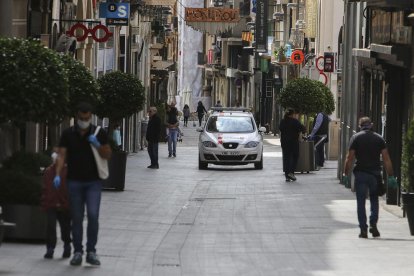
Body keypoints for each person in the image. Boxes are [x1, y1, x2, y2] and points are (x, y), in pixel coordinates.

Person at [54, 102, 112, 266]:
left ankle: (91, 251)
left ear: (90, 117)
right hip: (74, 182)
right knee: (77, 218)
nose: (84, 120)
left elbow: (108, 155)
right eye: (81, 118)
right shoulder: (68, 134)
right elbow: (61, 155)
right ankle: (78, 251)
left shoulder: (98, 133)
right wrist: (57, 175)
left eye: (86, 118)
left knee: (93, 216)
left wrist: (98, 145)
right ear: (77, 116)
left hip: (93, 182)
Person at [343, 117, 398, 238]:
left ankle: (363, 229)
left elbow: (349, 158)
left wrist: (346, 174)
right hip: (375, 174)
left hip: (361, 174)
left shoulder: (356, 138)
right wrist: (391, 175)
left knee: (361, 202)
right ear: (371, 125)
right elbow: (386, 158)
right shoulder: (379, 138)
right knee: (374, 199)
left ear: (360, 125)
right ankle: (373, 223)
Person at [41, 148, 71, 259]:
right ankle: (50, 248)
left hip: (64, 205)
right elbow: (45, 189)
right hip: (51, 204)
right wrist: (45, 203)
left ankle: (67, 245)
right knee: (50, 226)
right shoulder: (48, 172)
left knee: (65, 228)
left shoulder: (68, 171)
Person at [279, 109, 306, 182]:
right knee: (295, 156)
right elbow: (303, 129)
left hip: (284, 143)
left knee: (286, 158)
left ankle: (287, 176)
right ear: (292, 114)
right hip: (293, 143)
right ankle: (291, 172)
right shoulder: (295, 121)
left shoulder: (282, 121)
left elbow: (280, 129)